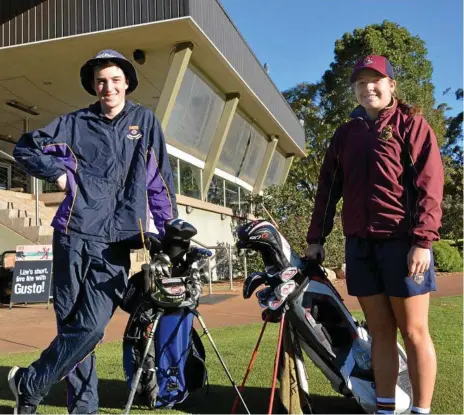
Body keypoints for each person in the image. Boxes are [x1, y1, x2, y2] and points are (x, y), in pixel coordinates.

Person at [8, 49, 178, 414]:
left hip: (118, 242)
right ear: (93, 85)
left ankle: (31, 382)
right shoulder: (74, 122)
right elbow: (26, 147)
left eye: (116, 79)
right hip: (73, 233)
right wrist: (55, 173)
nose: (108, 87)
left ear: (128, 83)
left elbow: (159, 181)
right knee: (71, 325)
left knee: (91, 328)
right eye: (101, 81)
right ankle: (83, 409)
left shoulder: (145, 122)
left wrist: (171, 229)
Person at [305, 55, 443, 415]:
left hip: (403, 244)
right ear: (354, 89)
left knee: (413, 331)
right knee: (380, 333)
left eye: (376, 80)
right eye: (361, 82)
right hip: (360, 246)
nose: (368, 87)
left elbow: (430, 186)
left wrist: (422, 241)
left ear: (391, 85)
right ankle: (385, 409)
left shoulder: (411, 125)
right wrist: (316, 238)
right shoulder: (345, 134)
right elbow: (327, 189)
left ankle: (421, 411)